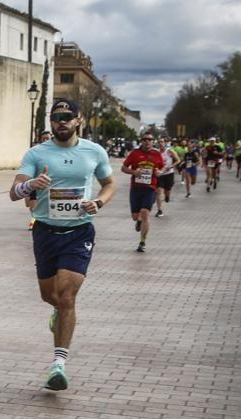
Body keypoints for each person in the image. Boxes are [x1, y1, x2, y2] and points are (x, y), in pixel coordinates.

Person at [9, 99, 114, 391]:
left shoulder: (94, 151)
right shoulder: (36, 153)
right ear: (51, 121)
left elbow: (109, 184)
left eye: (67, 117)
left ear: (79, 119)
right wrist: (30, 185)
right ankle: (58, 312)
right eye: (57, 117)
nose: (62, 122)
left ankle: (59, 364)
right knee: (50, 296)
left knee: (67, 296)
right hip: (44, 231)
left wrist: (99, 202)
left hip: (79, 232)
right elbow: (13, 192)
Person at [122, 133, 164, 253]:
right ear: (141, 141)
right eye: (145, 139)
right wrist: (133, 172)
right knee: (135, 217)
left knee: (145, 212)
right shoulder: (134, 153)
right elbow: (123, 168)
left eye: (149, 139)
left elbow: (162, 168)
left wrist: (159, 172)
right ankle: (139, 221)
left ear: (152, 141)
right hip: (135, 189)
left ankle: (142, 242)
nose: (147, 141)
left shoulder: (157, 154)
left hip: (150, 188)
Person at [156, 138, 179, 216]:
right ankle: (160, 210)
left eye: (162, 142)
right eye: (159, 142)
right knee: (159, 192)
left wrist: (171, 166)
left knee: (167, 190)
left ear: (165, 143)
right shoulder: (156, 152)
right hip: (160, 174)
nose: (160, 143)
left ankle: (167, 196)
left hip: (169, 173)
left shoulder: (169, 151)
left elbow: (178, 160)